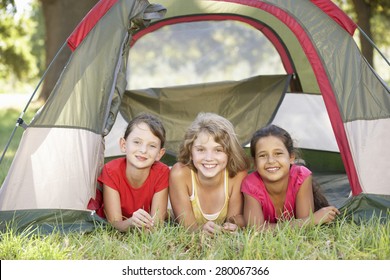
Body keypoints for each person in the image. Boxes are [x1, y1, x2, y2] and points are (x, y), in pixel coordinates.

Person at [242, 124, 340, 230]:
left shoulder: (301, 176)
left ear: (291, 157)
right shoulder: (250, 183)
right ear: (255, 163)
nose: (270, 161)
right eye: (262, 155)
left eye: (278, 153)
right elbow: (256, 229)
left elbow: (305, 227)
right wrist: (312, 220)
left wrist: (308, 221)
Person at [169, 112, 250, 235]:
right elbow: (187, 228)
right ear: (190, 152)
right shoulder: (180, 174)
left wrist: (231, 229)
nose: (209, 158)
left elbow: (232, 222)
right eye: (201, 150)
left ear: (229, 153)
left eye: (218, 150)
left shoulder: (237, 175)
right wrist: (200, 232)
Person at [94, 112, 169, 232]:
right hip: (121, 222)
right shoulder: (111, 170)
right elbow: (114, 223)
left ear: (159, 154)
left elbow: (157, 223)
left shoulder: (162, 172)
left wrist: (149, 226)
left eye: (152, 146)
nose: (143, 150)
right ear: (123, 145)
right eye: (137, 142)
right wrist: (131, 223)